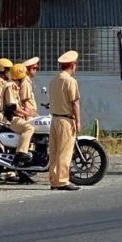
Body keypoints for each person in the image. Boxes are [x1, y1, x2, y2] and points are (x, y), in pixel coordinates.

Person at [48, 50, 81, 191]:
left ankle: (54, 180)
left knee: (54, 152)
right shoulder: (70, 81)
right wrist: (78, 121)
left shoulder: (54, 80)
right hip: (66, 120)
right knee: (65, 152)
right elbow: (75, 103)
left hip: (54, 119)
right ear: (73, 65)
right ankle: (62, 181)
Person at [6, 63, 36, 172]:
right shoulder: (10, 87)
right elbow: (13, 107)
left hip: (17, 117)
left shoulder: (15, 86)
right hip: (12, 118)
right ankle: (21, 153)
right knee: (29, 128)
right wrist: (28, 113)